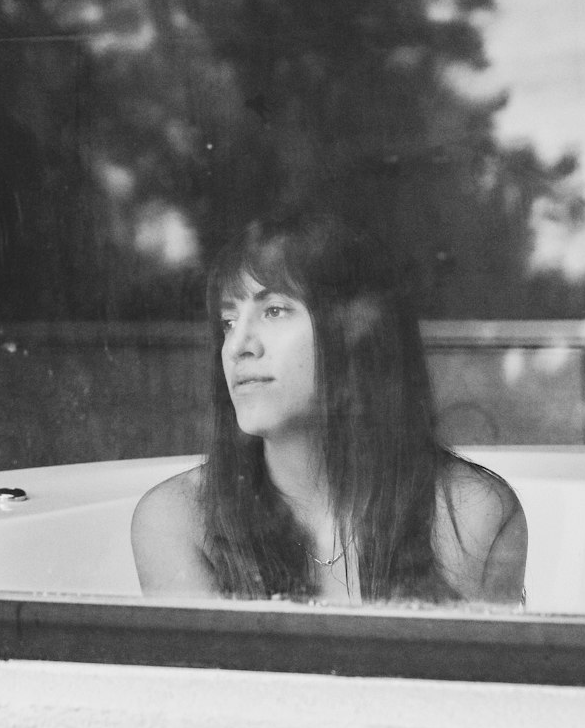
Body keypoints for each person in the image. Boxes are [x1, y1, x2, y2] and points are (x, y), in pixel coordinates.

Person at [131, 211, 527, 606]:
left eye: (274, 311)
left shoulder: (472, 514)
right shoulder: (176, 519)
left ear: (358, 335)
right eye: (229, 322)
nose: (238, 347)